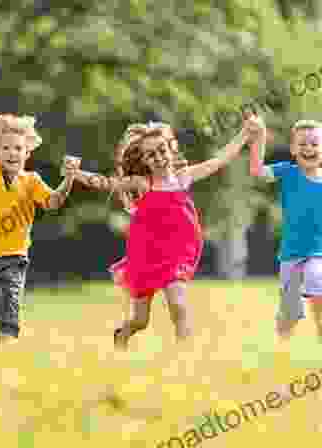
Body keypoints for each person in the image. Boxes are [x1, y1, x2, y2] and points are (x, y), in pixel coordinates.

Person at [74, 117, 255, 351]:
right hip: (146, 254)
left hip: (178, 252)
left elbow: (219, 160)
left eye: (162, 150)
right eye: (151, 155)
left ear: (171, 148)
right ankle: (123, 334)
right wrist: (76, 174)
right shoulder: (142, 183)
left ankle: (185, 355)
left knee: (178, 304)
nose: (159, 157)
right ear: (144, 160)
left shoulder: (183, 177)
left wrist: (244, 135)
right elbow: (107, 183)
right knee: (140, 320)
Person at [0, 114, 79, 348]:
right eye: (5, 148)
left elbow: (53, 202)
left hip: (13, 258)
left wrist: (69, 179)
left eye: (18, 148)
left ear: (27, 153)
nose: (12, 153)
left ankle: (5, 357)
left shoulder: (32, 181)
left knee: (8, 312)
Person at [248, 117, 322, 344]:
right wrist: (259, 138)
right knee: (289, 314)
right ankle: (282, 343)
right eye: (302, 144)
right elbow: (257, 171)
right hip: (291, 254)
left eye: (314, 143)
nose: (308, 148)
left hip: (318, 252)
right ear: (292, 149)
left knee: (316, 279)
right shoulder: (287, 172)